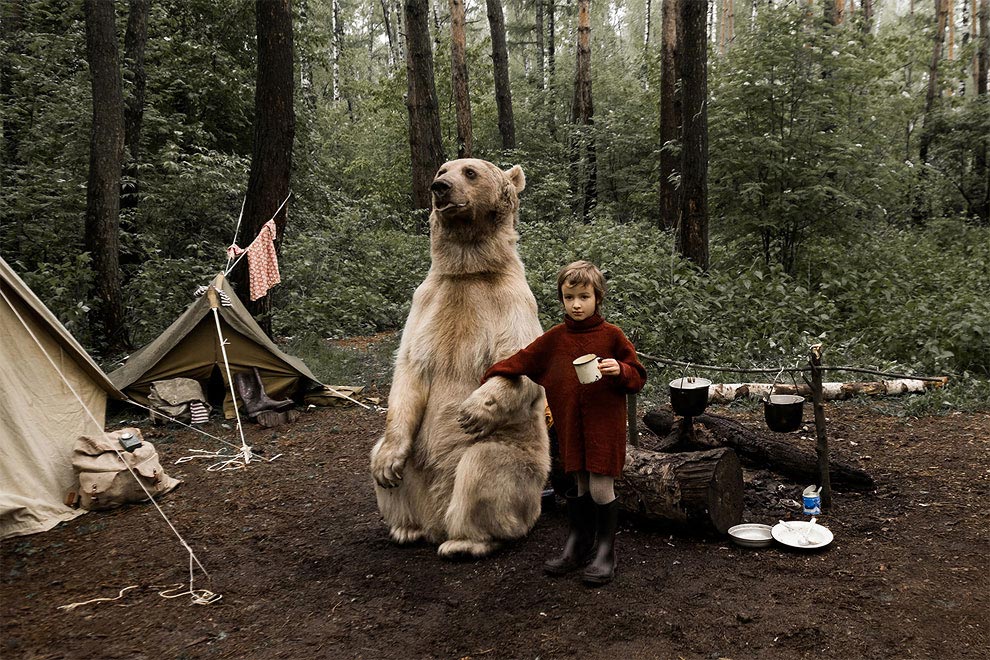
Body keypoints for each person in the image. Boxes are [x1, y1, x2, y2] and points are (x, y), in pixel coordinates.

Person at [468, 260, 647, 585]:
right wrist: (492, 375)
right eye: (569, 297)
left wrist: (620, 370)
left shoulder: (612, 336)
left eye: (584, 296)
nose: (576, 304)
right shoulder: (555, 338)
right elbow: (523, 359)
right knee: (577, 483)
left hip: (604, 427)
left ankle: (606, 551)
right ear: (562, 298)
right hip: (571, 427)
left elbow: (638, 376)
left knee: (599, 485)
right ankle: (578, 545)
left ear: (598, 298)